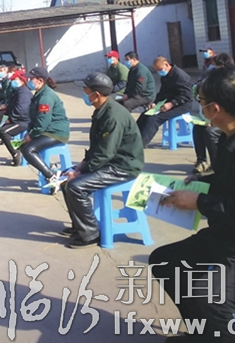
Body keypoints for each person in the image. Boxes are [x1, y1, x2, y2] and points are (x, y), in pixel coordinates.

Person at [148, 67, 235, 342]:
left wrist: (199, 202)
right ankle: (205, 335)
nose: (198, 106)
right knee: (165, 262)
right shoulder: (234, 133)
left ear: (214, 109)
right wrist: (201, 182)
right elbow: (234, 181)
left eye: (200, 101)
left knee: (210, 297)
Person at [59, 72, 144, 249]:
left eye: (86, 90)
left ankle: (90, 234)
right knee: (65, 179)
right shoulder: (102, 110)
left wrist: (81, 171)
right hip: (109, 160)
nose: (83, 93)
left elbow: (105, 153)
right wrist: (80, 166)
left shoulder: (113, 116)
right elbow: (98, 147)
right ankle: (80, 226)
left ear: (96, 94)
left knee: (75, 186)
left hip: (123, 166)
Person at [18, 66, 70, 186]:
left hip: (56, 133)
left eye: (31, 79)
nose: (28, 81)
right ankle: (50, 169)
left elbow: (42, 121)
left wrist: (32, 135)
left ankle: (51, 176)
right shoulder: (39, 94)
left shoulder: (45, 97)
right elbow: (34, 118)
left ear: (40, 80)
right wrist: (29, 132)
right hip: (47, 130)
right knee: (23, 146)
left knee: (29, 150)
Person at [135, 56, 193, 148]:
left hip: (182, 105)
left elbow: (186, 96)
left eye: (160, 69)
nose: (159, 72)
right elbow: (163, 92)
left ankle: (140, 145)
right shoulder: (165, 76)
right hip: (169, 102)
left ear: (166, 64)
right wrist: (155, 103)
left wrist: (172, 104)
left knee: (154, 119)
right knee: (145, 115)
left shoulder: (180, 76)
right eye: (157, 71)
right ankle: (133, 140)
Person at [191, 54, 233, 175]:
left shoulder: (229, 82)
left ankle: (217, 166)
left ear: (222, 66)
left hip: (230, 119)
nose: (212, 68)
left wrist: (215, 120)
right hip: (216, 117)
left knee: (210, 132)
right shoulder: (214, 80)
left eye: (215, 66)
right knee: (197, 128)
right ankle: (202, 161)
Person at [0, 71, 32, 165]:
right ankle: (2, 137)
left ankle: (15, 153)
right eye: (12, 80)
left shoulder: (23, 92)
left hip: (24, 121)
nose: (13, 82)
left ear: (22, 81)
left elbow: (20, 109)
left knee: (4, 131)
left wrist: (10, 119)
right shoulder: (18, 91)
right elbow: (13, 105)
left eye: (15, 79)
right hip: (18, 118)